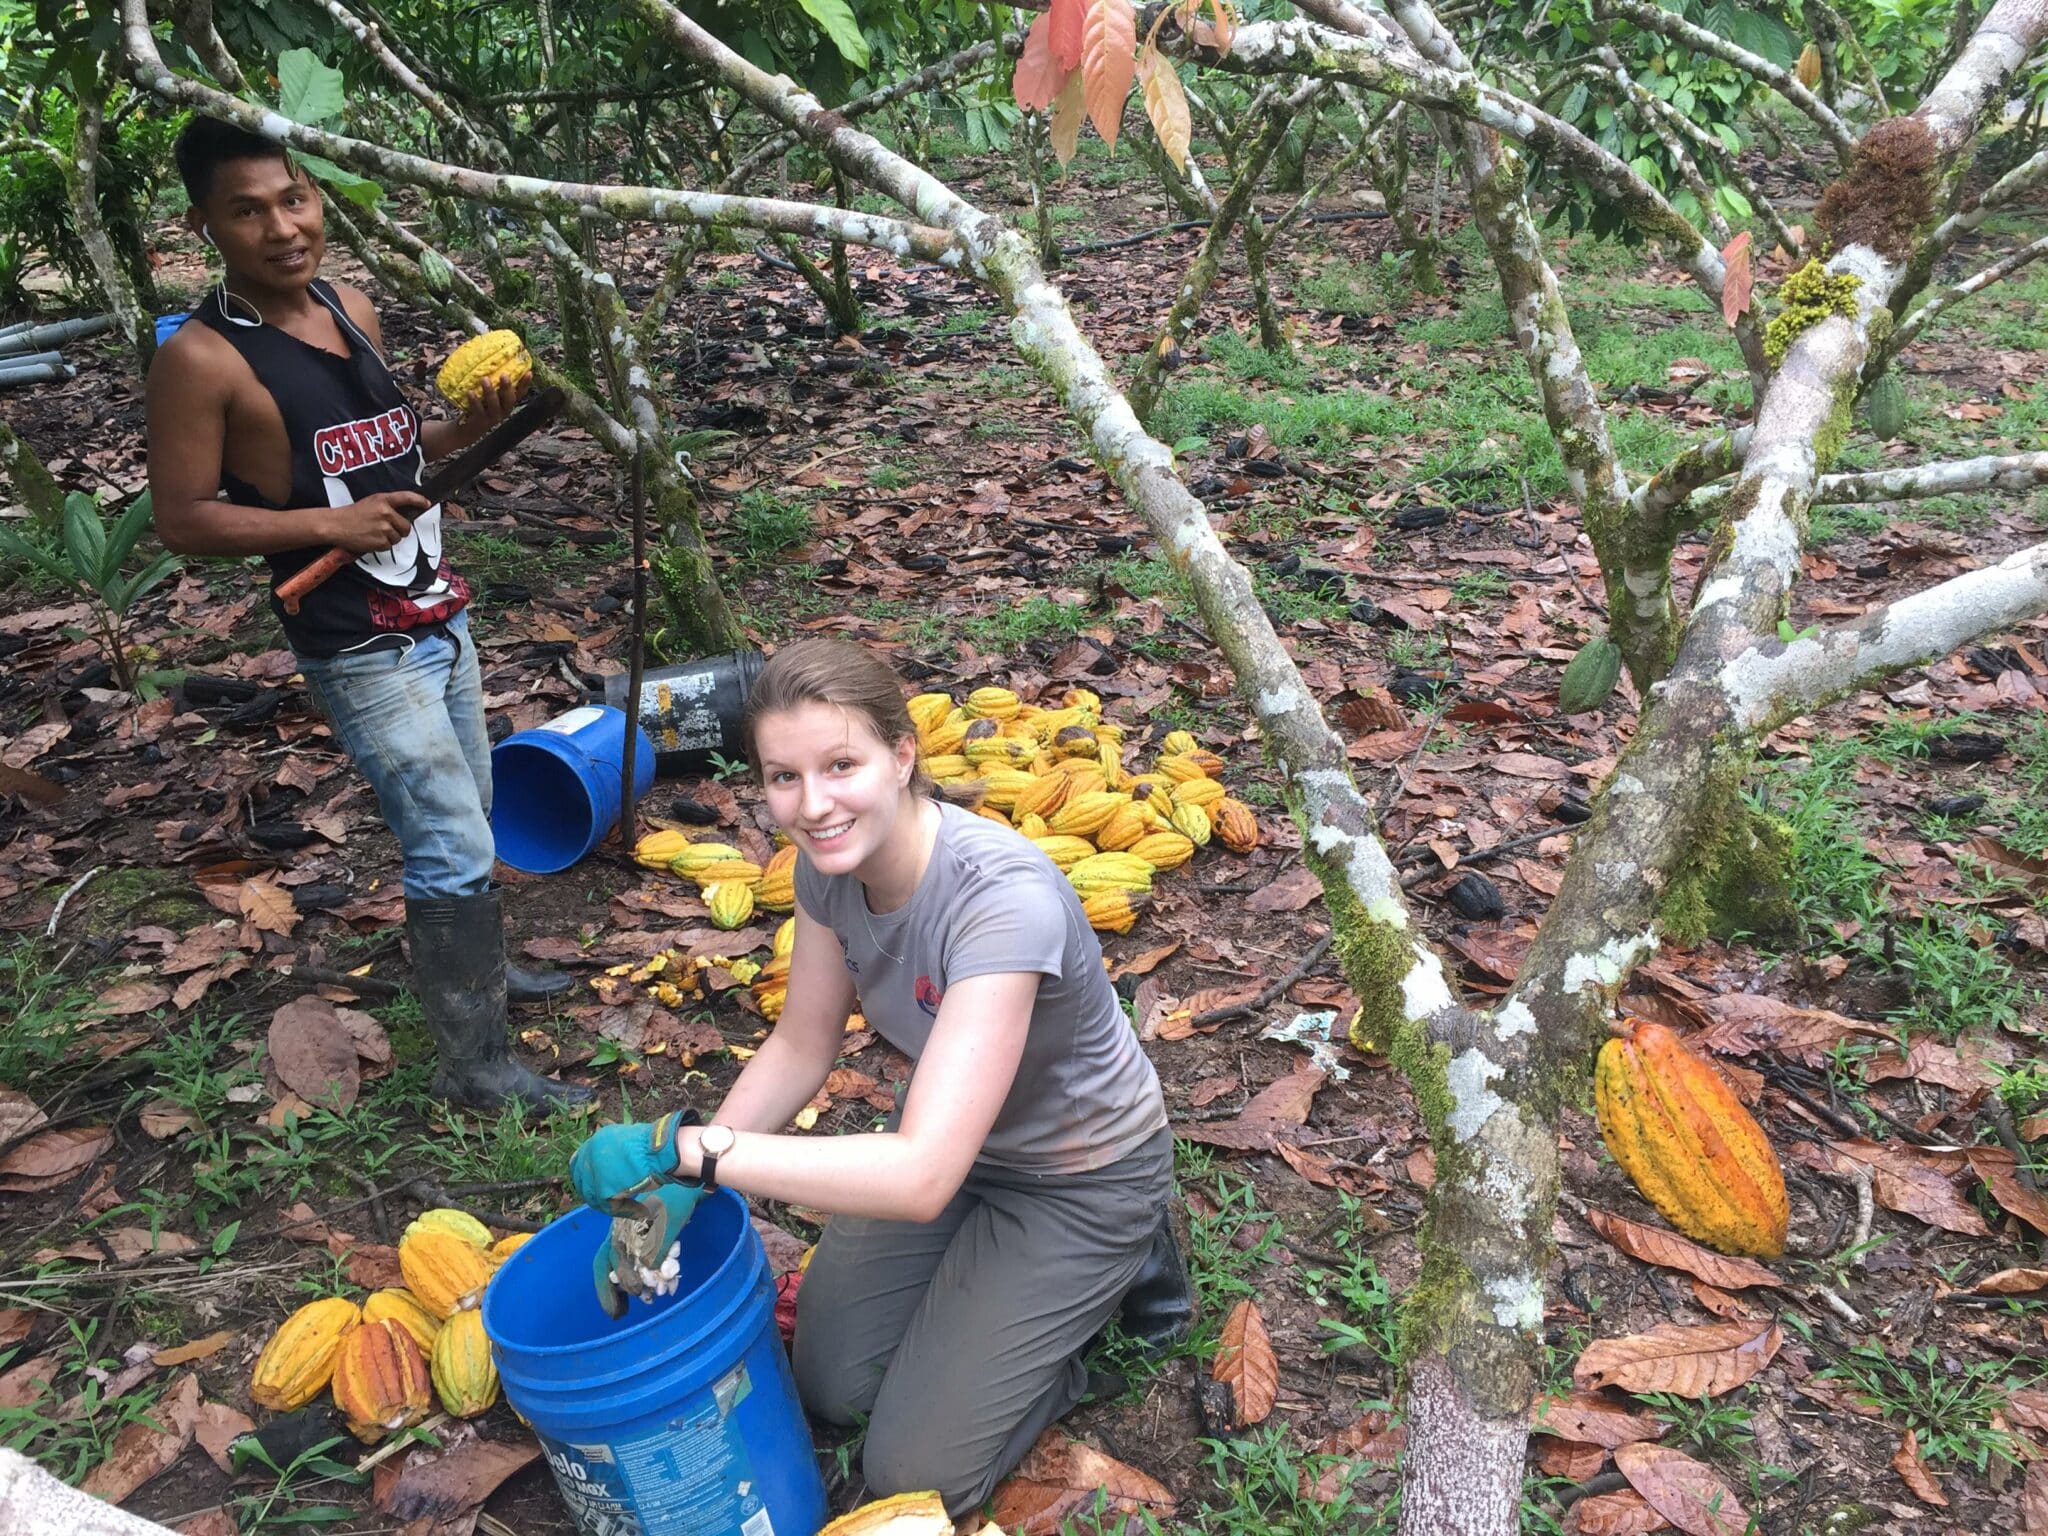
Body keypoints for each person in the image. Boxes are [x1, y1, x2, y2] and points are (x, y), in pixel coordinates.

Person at [569, 639, 1191, 1517]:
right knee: (832, 1386)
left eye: (841, 765)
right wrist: (686, 1191)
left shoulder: (999, 900)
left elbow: (920, 1173)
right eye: (783, 777)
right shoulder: (832, 870)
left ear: (903, 757)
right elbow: (800, 1044)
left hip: (1076, 1176)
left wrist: (689, 1153)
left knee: (912, 1469)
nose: (812, 804)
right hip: (957, 1151)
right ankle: (994, 1310)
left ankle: (1121, 1267)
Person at [145, 117, 589, 1114]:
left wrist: (467, 427)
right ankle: (477, 1070)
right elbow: (182, 519)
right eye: (246, 211)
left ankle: (479, 970)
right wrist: (323, 524)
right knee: (446, 837)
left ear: (318, 197)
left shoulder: (349, 307)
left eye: (294, 199)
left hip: (433, 606)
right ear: (204, 224)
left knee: (470, 809)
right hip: (355, 639)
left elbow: (395, 449)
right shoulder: (203, 358)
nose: (281, 227)